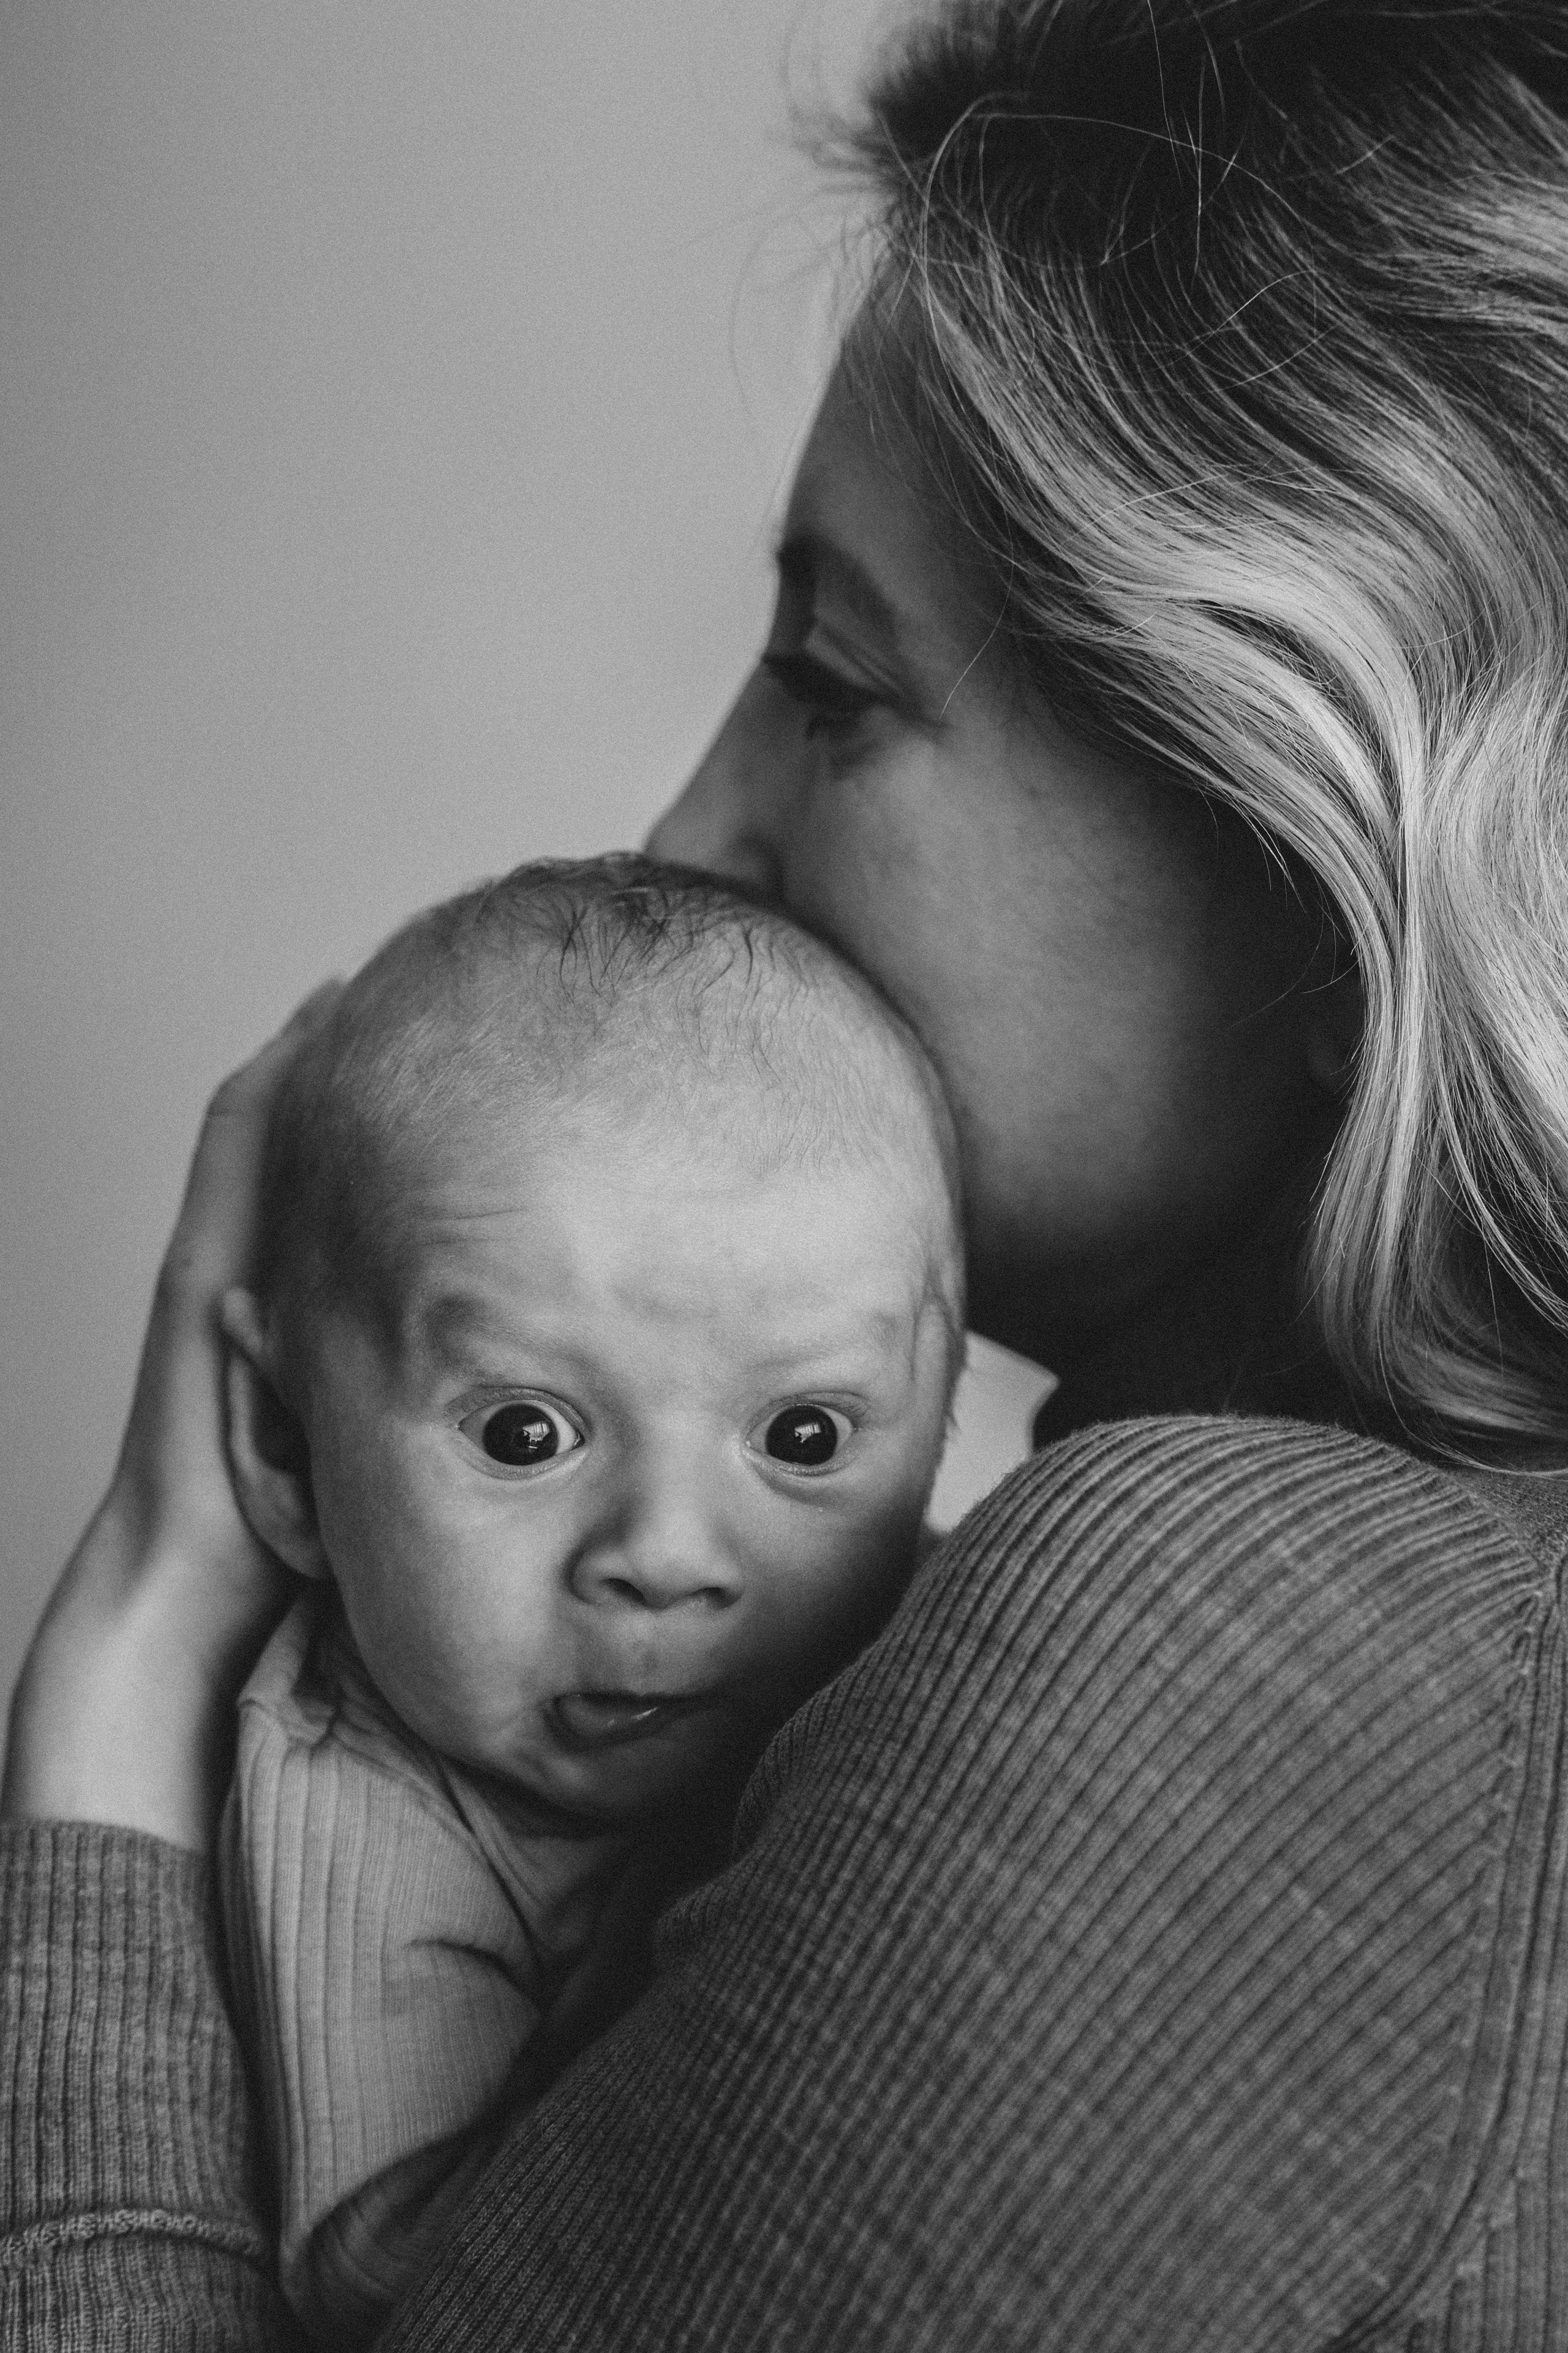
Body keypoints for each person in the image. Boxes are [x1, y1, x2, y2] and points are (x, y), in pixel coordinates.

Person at [5, 0, 1568, 2344]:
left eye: (834, 683)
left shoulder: (1234, 1625)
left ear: (1311, 822)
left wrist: (121, 1704)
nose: (686, 837)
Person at [214, 854, 963, 2346]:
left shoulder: (953, 1629)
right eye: (523, 1433)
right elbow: (387, 2277)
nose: (667, 1553)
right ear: (288, 1449)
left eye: (802, 1438)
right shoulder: (364, 1814)